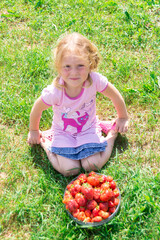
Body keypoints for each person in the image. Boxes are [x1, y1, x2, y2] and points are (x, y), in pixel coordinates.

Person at [27, 32, 129, 176]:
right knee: (70, 170)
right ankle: (46, 144)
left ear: (90, 64)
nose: (74, 73)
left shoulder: (94, 81)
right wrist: (34, 131)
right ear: (58, 66)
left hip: (88, 128)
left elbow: (114, 95)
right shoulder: (55, 91)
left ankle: (111, 136)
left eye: (80, 65)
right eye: (67, 66)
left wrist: (123, 117)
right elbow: (37, 109)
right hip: (63, 133)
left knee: (92, 165)